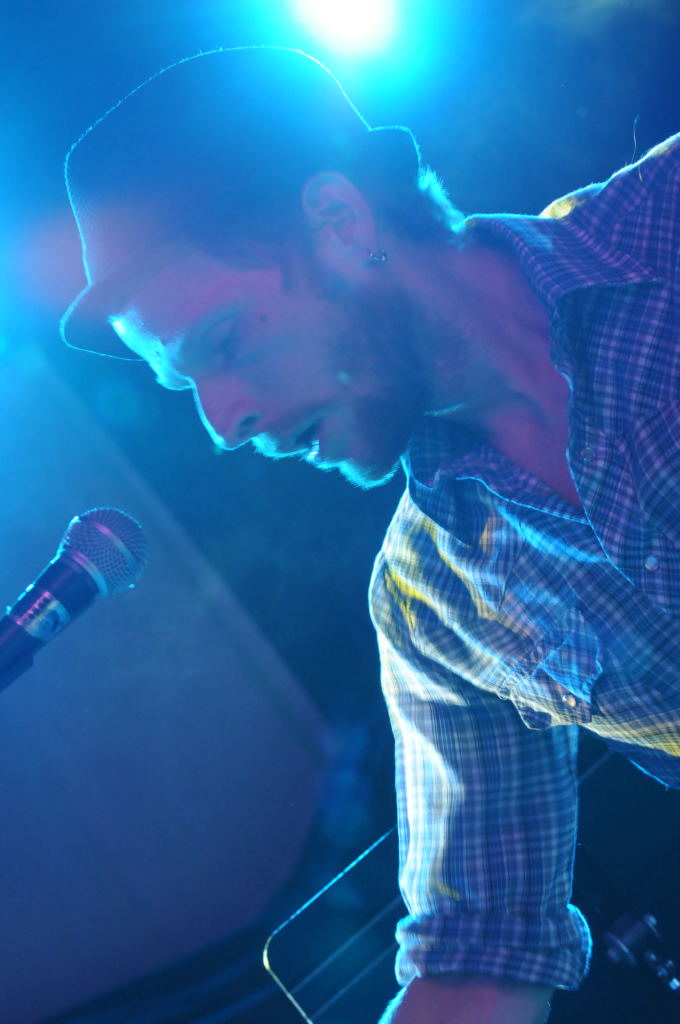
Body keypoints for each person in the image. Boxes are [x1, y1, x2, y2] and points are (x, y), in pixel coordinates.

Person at [60, 47, 680, 1024]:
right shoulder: (430, 605)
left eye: (223, 345)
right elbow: (479, 958)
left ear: (341, 224)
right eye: (189, 389)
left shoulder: (663, 217)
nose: (224, 423)